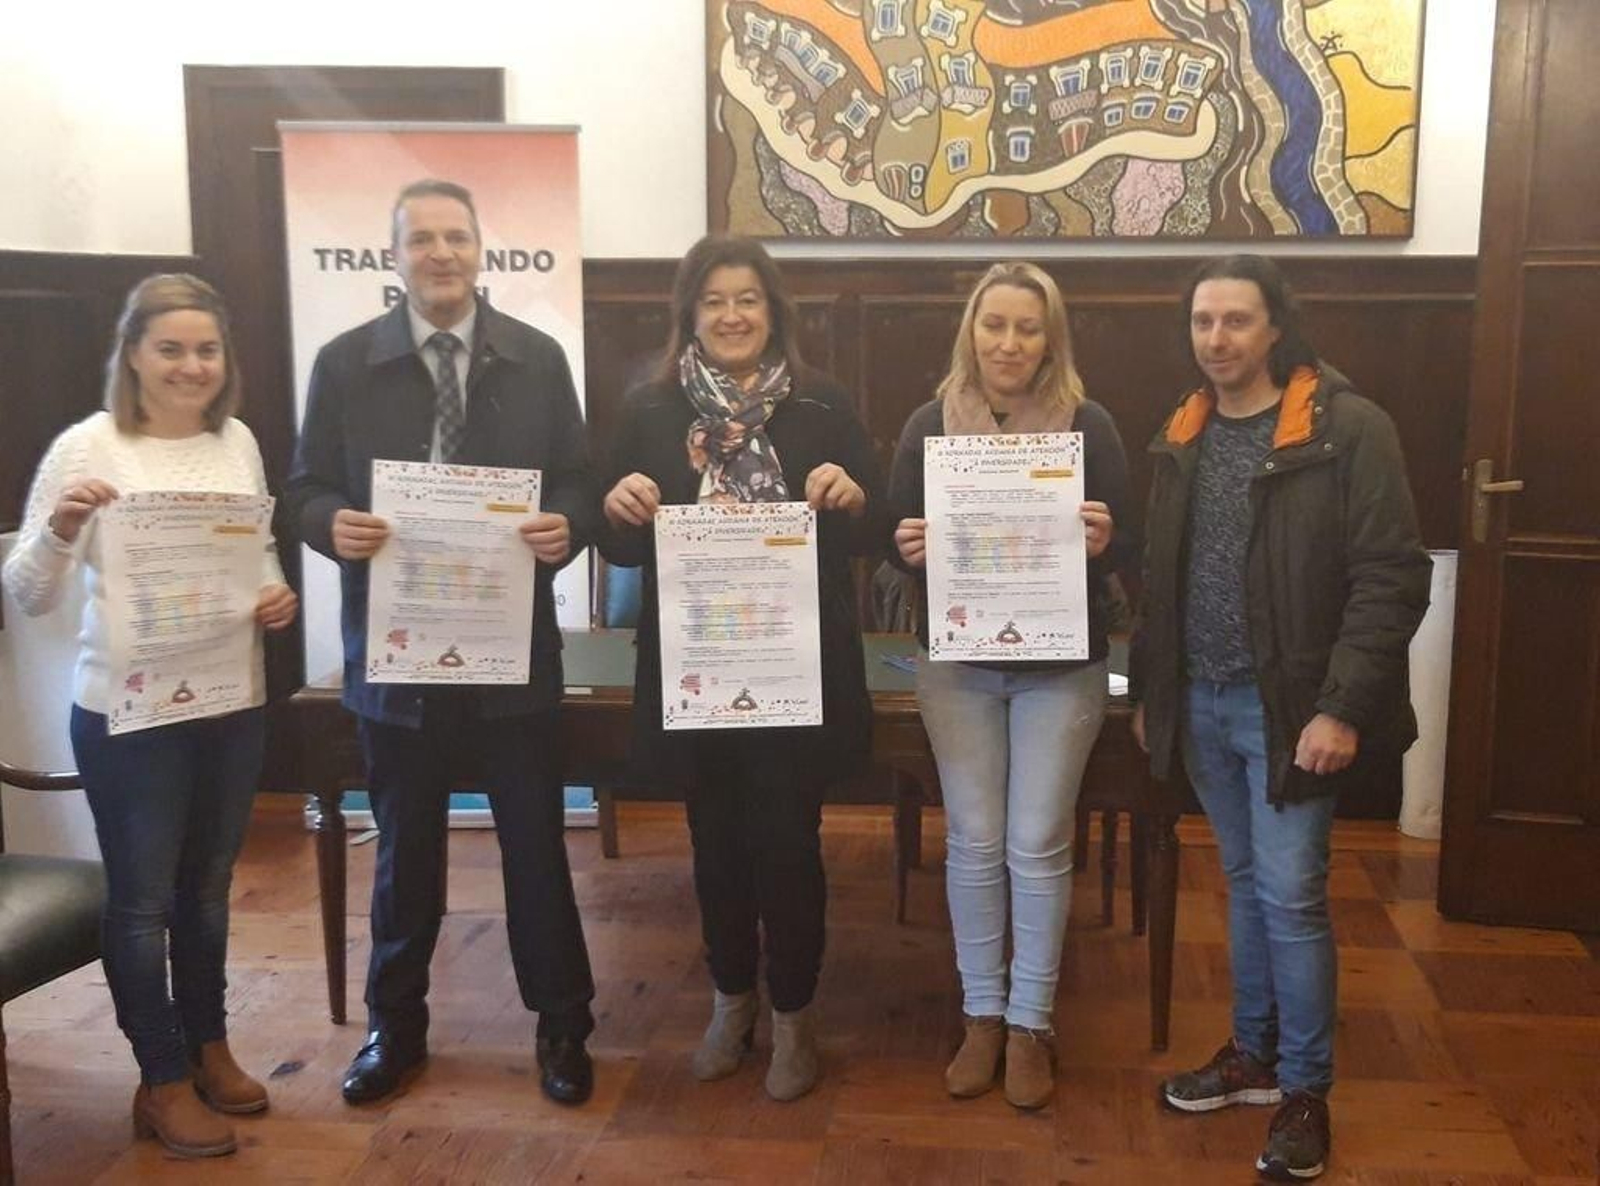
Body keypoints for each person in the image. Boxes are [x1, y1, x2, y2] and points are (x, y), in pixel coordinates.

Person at [284, 179, 598, 1107]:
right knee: (405, 851)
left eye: (456, 237)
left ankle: (564, 1026)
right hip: (397, 657)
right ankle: (397, 1027)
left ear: (480, 249)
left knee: (536, 852)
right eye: (421, 239)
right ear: (395, 256)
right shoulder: (344, 365)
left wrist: (565, 528)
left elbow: (579, 482)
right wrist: (329, 521)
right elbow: (301, 489)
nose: (442, 254)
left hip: (513, 658)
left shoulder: (537, 359)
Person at [1131, 255, 1430, 1181]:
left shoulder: (1348, 430)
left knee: (1293, 898)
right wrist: (1154, 693)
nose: (1216, 339)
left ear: (1275, 328)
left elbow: (1391, 577)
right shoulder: (1181, 433)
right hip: (1204, 704)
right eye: (1202, 321)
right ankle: (1252, 1056)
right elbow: (1159, 579)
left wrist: (1341, 708)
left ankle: (1306, 1091)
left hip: (1293, 711)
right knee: (1247, 882)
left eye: (1236, 321)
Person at [2, 274, 298, 1158]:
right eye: (169, 348)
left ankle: (209, 1048)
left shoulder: (236, 441)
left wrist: (275, 592)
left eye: (205, 349)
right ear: (132, 354)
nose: (190, 365)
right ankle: (161, 1080)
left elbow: (261, 553)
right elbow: (25, 589)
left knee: (206, 892)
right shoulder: (88, 446)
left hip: (229, 702)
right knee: (140, 904)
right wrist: (58, 527)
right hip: (129, 719)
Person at [598, 234, 882, 1101]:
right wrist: (619, 509)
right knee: (714, 845)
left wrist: (852, 495)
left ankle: (794, 1019)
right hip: (695, 672)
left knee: (790, 846)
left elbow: (875, 530)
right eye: (715, 300)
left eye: (748, 300)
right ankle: (731, 1002)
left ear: (773, 312)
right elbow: (618, 540)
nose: (732, 315)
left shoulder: (823, 407)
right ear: (690, 312)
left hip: (798, 669)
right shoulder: (648, 409)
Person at [888, 262, 1130, 1110]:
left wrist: (1106, 536)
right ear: (972, 331)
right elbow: (893, 534)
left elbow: (1127, 541)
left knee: (1036, 839)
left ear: (1049, 338)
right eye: (995, 325)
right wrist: (907, 542)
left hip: (1061, 669)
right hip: (958, 665)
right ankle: (980, 1015)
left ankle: (1031, 1023)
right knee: (976, 839)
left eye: (1028, 328)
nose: (1010, 343)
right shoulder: (929, 423)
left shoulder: (1088, 425)